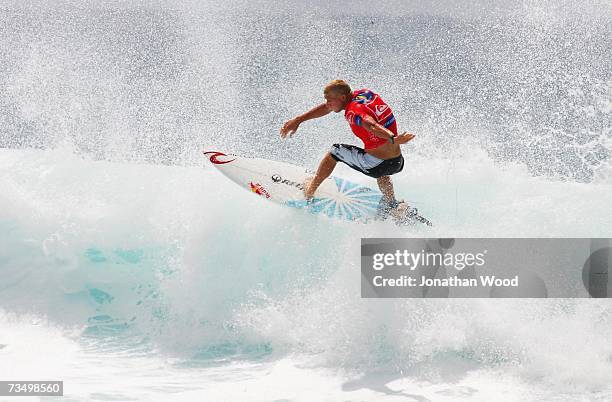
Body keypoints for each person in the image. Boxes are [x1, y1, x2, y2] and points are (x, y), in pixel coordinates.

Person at [280, 79, 417, 219]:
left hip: (375, 164)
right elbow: (327, 108)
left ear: (343, 98)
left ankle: (309, 191)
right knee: (382, 172)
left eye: (329, 100)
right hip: (396, 162)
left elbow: (371, 125)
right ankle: (392, 205)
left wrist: (392, 138)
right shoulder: (365, 94)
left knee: (334, 152)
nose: (328, 104)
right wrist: (298, 120)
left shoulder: (353, 112)